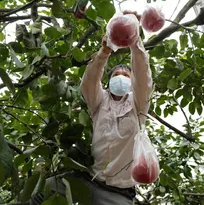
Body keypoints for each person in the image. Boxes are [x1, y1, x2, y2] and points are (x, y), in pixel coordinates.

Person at [30, 33, 152, 205]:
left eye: (126, 76)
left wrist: (134, 40)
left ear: (132, 84)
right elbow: (89, 81)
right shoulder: (99, 102)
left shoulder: (138, 105)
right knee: (44, 191)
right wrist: (104, 52)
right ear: (108, 82)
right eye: (117, 74)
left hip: (117, 193)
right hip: (88, 180)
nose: (121, 77)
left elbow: (144, 78)